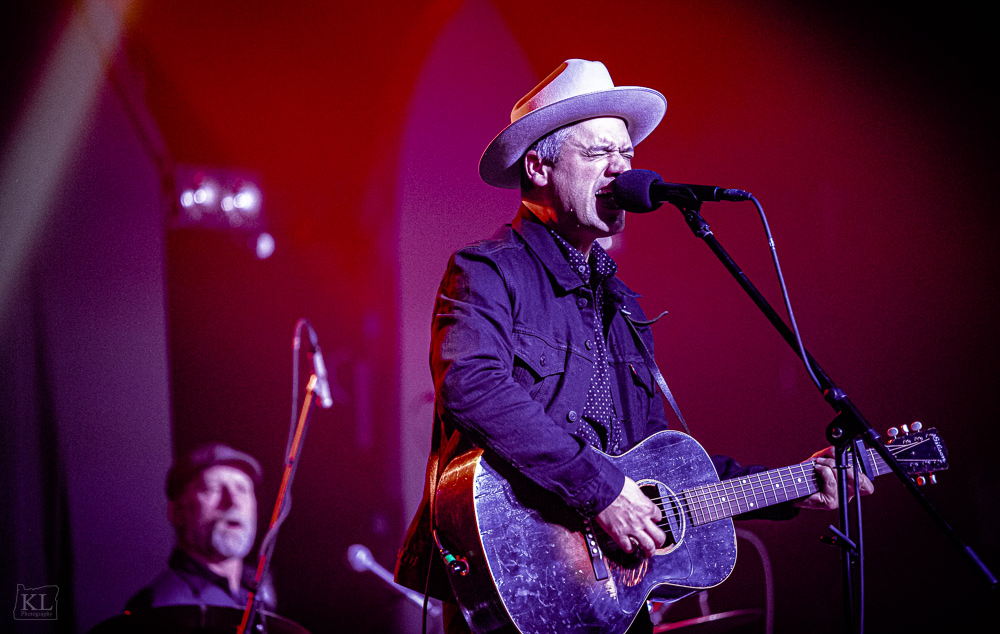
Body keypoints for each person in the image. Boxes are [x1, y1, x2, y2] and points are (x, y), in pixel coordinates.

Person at [394, 59, 873, 633]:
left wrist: (791, 486)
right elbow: (472, 385)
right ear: (539, 166)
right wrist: (601, 492)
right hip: (518, 587)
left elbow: (657, 466)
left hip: (615, 603)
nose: (622, 173)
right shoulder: (488, 271)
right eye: (599, 154)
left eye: (627, 156)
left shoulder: (621, 303)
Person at [125, 442, 276, 614]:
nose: (233, 502)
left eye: (242, 489)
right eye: (213, 488)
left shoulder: (261, 596)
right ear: (177, 511)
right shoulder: (158, 608)